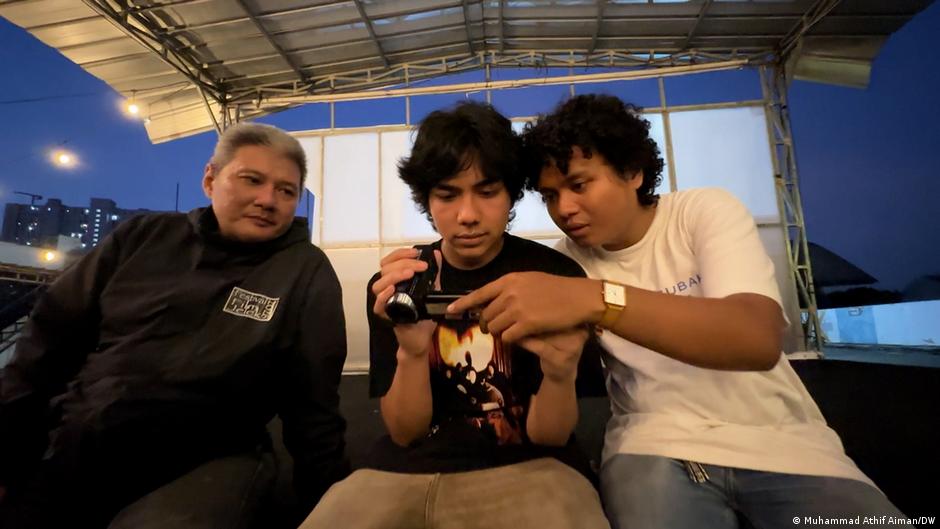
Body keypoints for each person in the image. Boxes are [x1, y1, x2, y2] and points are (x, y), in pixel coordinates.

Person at [448, 94, 904, 528]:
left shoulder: (700, 213)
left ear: (633, 171)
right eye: (549, 196)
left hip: (786, 443)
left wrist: (598, 298)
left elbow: (756, 339)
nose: (564, 208)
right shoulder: (563, 263)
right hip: (652, 445)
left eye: (579, 184)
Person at [0, 122, 349, 528]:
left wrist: (334, 513)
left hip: (208, 463)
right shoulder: (143, 237)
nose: (268, 200)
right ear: (210, 179)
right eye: (252, 180)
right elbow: (45, 347)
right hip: (79, 444)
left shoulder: (304, 270)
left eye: (286, 191)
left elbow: (314, 407)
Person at [299, 101, 609, 529]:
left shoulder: (555, 277)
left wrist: (560, 373)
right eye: (447, 195)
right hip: (402, 471)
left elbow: (551, 437)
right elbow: (404, 433)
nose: (467, 216)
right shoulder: (399, 285)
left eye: (487, 192)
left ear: (511, 194)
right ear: (427, 200)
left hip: (531, 467)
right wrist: (411, 352)